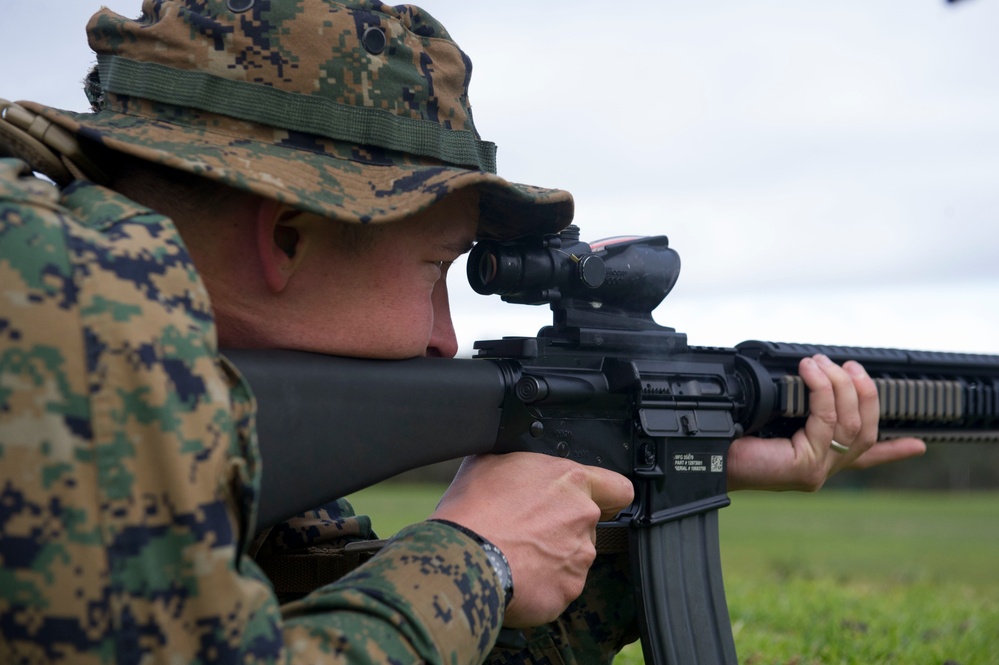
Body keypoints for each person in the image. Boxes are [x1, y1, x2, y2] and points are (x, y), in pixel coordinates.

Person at [0, 1, 927, 663]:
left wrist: (654, 478)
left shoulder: (179, 390)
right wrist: (470, 554)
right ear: (287, 233)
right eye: (437, 271)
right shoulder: (58, 301)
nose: (446, 339)